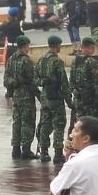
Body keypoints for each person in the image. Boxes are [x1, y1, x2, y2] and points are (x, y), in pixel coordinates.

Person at [35, 35, 74, 164]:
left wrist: (43, 81)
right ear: (57, 46)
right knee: (59, 125)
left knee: (45, 124)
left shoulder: (41, 60)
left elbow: (36, 80)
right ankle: (58, 153)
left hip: (45, 97)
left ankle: (44, 152)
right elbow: (64, 82)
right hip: (56, 97)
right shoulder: (57, 61)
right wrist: (69, 102)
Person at [4, 36, 40, 160]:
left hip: (16, 96)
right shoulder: (26, 60)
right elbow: (32, 81)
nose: (28, 48)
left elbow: (6, 79)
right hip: (27, 97)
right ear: (25, 46)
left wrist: (11, 89)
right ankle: (26, 149)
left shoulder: (11, 58)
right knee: (28, 123)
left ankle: (15, 149)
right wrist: (40, 97)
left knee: (17, 123)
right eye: (28, 46)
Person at [68, 37, 98, 136]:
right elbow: (97, 84)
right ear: (89, 48)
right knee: (90, 125)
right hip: (90, 101)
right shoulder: (92, 62)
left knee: (79, 124)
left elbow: (71, 81)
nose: (93, 50)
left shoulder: (75, 61)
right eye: (92, 48)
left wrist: (76, 92)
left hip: (78, 100)